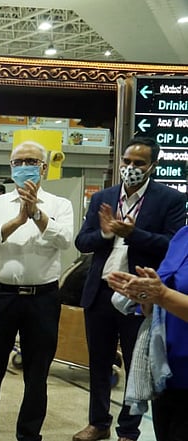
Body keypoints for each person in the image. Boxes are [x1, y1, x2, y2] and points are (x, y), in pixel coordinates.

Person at [73, 136, 185, 441]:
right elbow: (82, 241)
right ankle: (98, 423)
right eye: (127, 162)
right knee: (98, 361)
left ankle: (128, 429)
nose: (130, 168)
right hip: (101, 291)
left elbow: (171, 245)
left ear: (153, 166)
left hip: (140, 296)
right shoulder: (104, 197)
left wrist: (134, 234)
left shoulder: (169, 200)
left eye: (138, 163)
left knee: (138, 362)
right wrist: (106, 233)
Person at [0, 141, 74, 441]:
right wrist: (18, 220)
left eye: (31, 161)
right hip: (1, 297)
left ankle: (29, 435)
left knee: (37, 375)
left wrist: (36, 214)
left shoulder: (60, 205)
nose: (24, 167)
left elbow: (64, 241)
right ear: (11, 168)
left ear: (44, 167)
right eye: (18, 162)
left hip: (43, 299)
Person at [107, 225, 188, 441]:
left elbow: (165, 294)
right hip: (168, 372)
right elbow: (159, 303)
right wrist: (145, 296)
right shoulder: (183, 236)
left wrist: (161, 295)